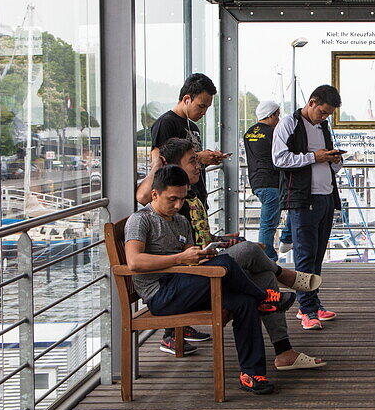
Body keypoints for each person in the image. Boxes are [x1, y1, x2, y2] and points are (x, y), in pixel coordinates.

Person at [138, 137, 326, 371]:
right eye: (192, 161)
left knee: (260, 277)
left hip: (193, 274)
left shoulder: (184, 205)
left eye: (197, 160)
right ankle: (284, 278)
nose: (199, 166)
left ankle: (281, 353)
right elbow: (143, 255)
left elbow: (197, 244)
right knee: (247, 252)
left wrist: (223, 241)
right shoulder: (159, 213)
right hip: (179, 285)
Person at [124, 166, 297, 394]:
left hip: (186, 285)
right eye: (172, 199)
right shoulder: (141, 220)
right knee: (227, 265)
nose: (178, 205)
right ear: (155, 194)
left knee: (245, 303)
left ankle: (252, 374)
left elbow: (189, 255)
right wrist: (181, 257)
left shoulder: (180, 220)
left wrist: (203, 254)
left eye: (182, 199)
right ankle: (265, 297)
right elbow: (134, 261)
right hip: (162, 295)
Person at [273, 84, 343, 330]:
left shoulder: (322, 126)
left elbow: (328, 160)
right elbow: (279, 159)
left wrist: (334, 159)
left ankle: (312, 303)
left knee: (317, 256)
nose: (324, 118)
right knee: (304, 256)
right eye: (322, 112)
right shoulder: (288, 124)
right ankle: (307, 309)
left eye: (328, 115)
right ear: (312, 102)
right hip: (303, 199)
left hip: (326, 196)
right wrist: (315, 157)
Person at [149, 73, 228, 208]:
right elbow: (160, 165)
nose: (204, 112)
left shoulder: (193, 126)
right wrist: (199, 157)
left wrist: (207, 160)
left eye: (207, 108)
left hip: (197, 199)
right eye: (201, 106)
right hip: (180, 204)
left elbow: (188, 165)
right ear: (186, 99)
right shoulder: (166, 123)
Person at [244, 100, 291, 263]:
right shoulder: (273, 133)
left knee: (268, 221)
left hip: (256, 181)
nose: (278, 119)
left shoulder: (249, 133)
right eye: (277, 116)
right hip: (271, 181)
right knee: (268, 223)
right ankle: (267, 259)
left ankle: (273, 251)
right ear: (270, 115)